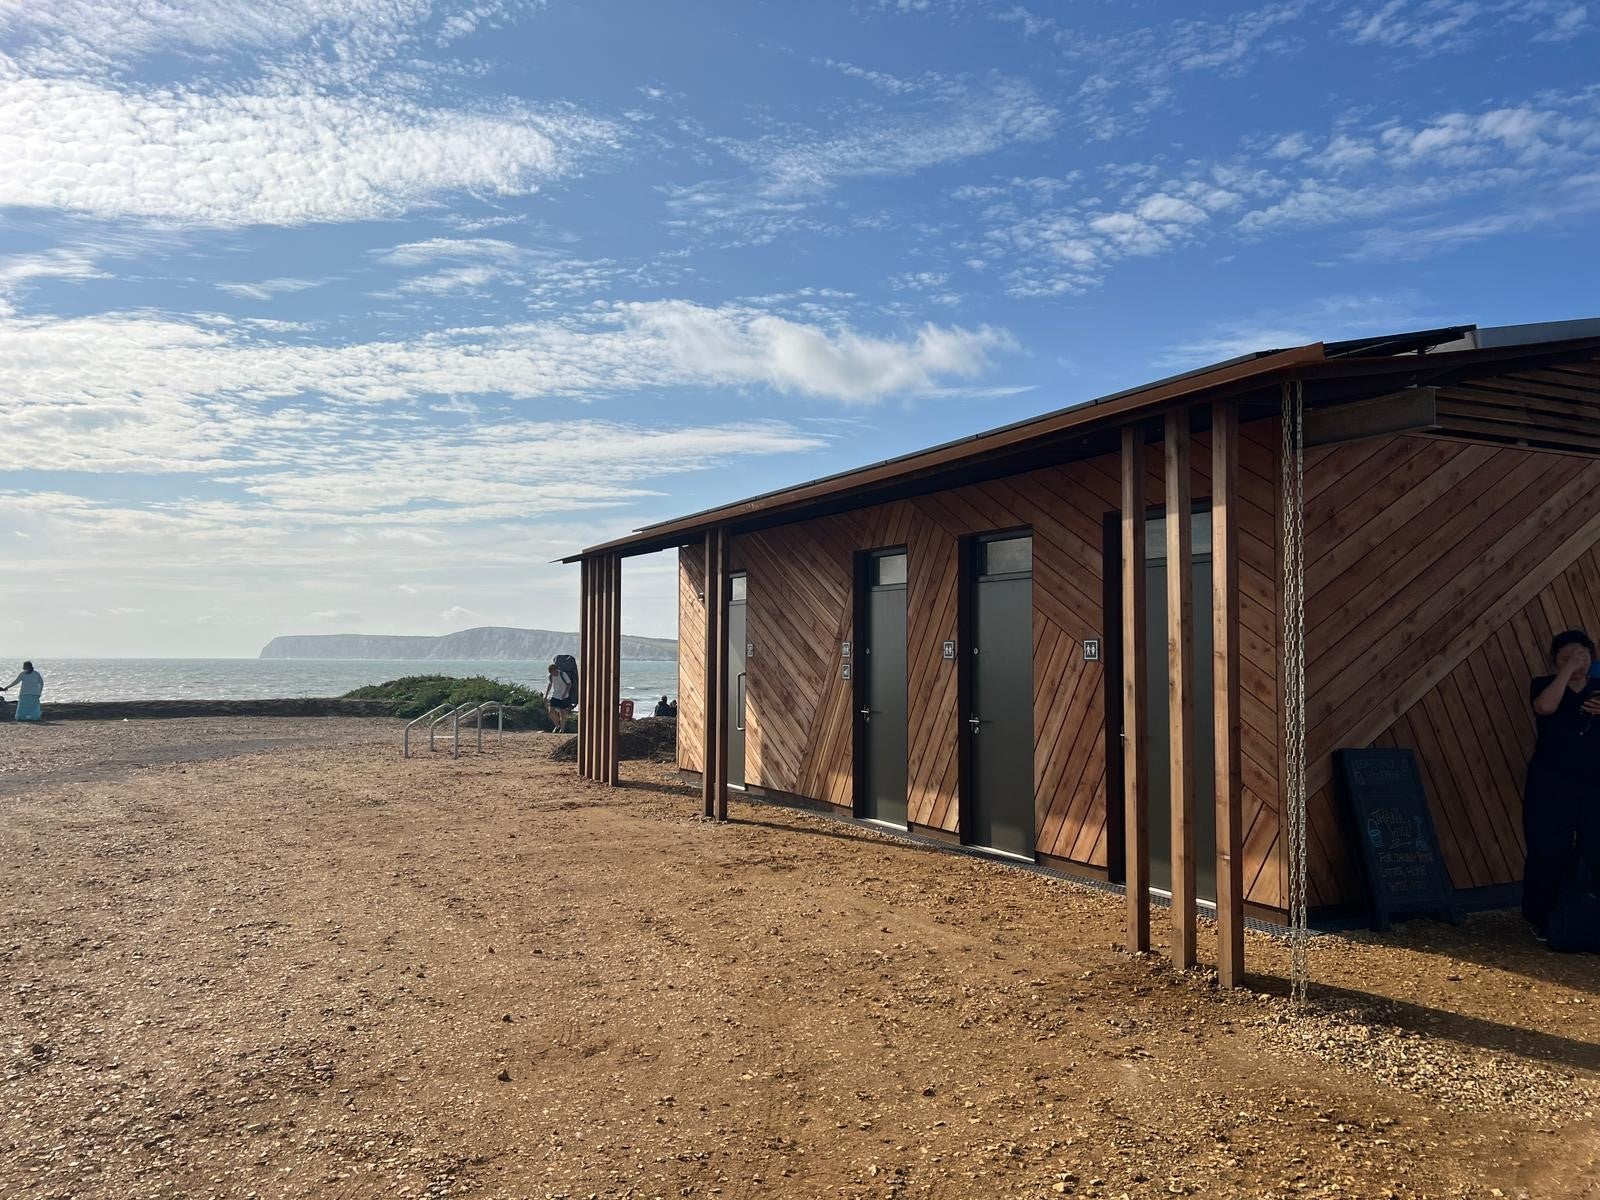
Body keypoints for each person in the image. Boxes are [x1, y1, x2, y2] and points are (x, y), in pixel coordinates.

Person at [1524, 630, 1600, 939]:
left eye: (1580, 656)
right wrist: (1567, 671)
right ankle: (1540, 915)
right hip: (1550, 782)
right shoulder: (1544, 685)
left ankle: (1584, 917)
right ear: (1554, 660)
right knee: (1547, 847)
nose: (1574, 662)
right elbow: (1545, 708)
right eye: (1564, 657)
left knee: (1593, 845)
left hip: (1592, 782)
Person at [545, 660, 575, 733]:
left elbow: (569, 684)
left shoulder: (563, 674)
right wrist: (546, 695)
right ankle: (557, 725)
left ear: (556, 670)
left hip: (564, 696)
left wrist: (565, 693)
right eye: (551, 673)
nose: (552, 674)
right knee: (550, 711)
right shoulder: (551, 676)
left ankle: (562, 730)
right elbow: (550, 684)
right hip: (555, 695)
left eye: (553, 672)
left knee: (562, 713)